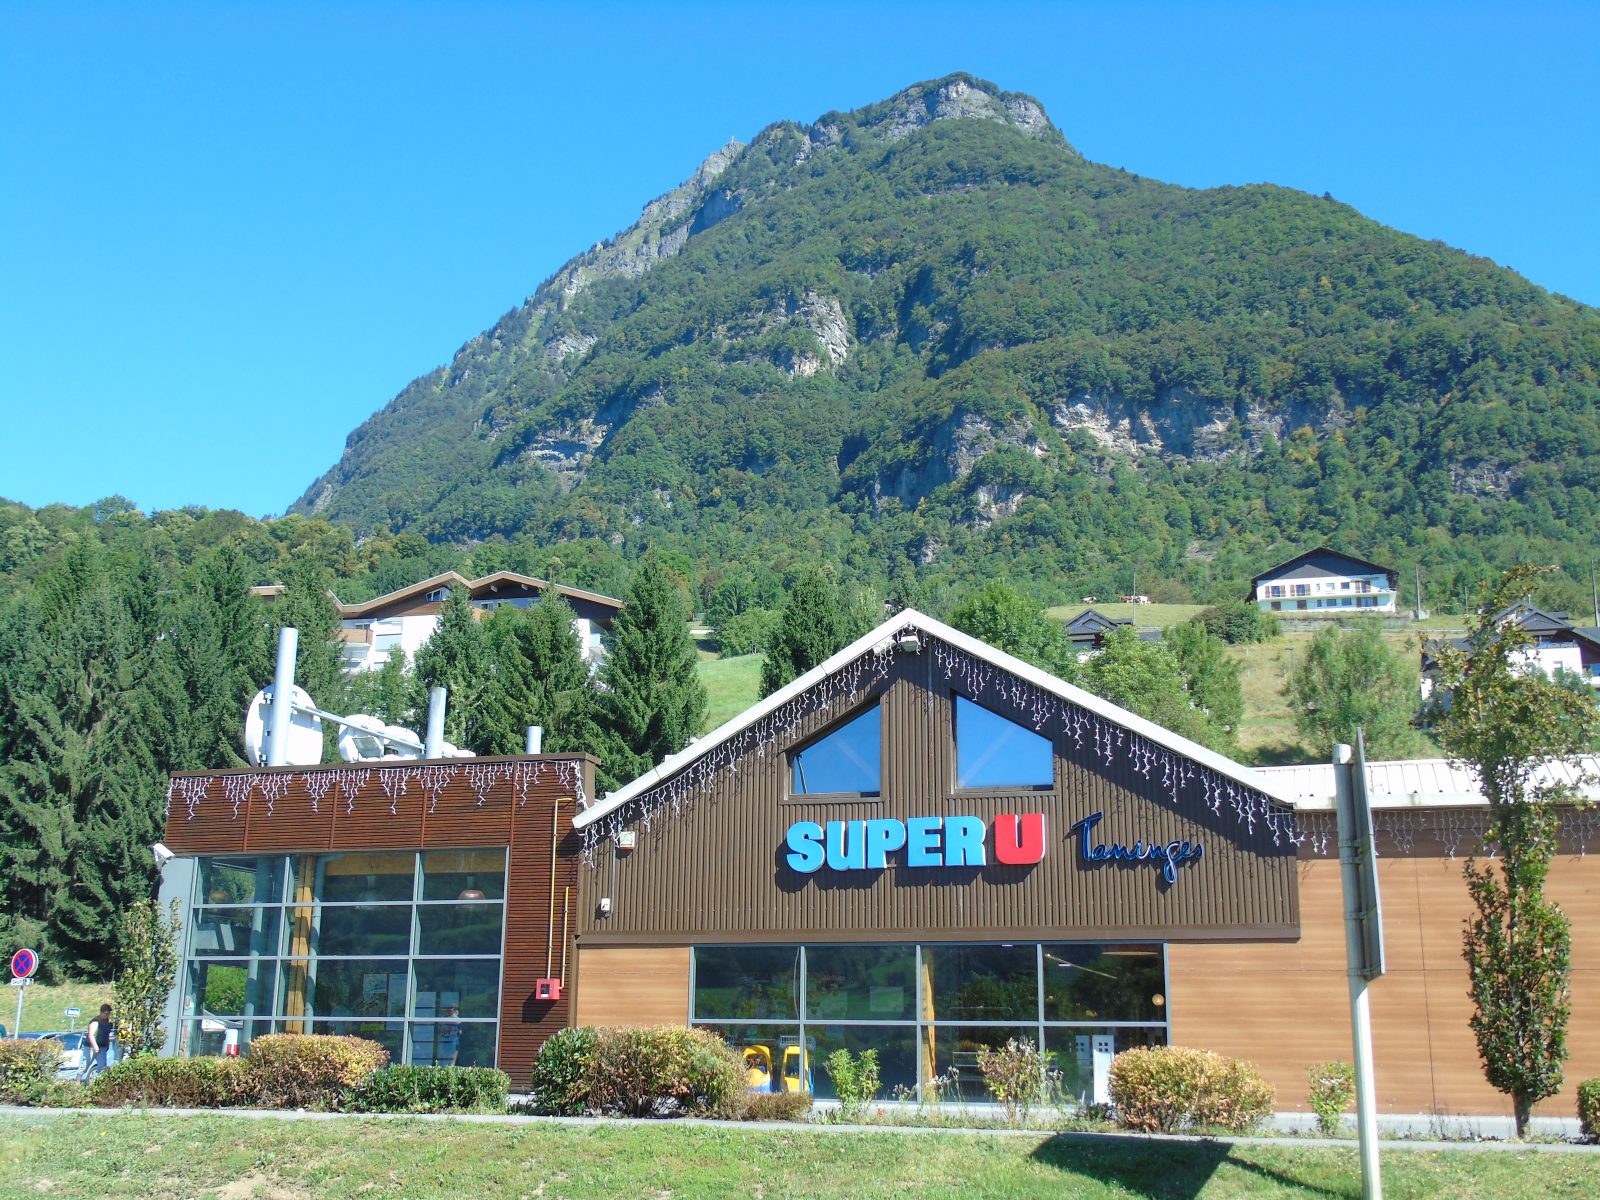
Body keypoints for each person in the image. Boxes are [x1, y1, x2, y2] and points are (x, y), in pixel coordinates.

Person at [80, 1004, 112, 1082]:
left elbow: (107, 1035)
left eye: (108, 1014)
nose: (107, 1016)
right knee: (85, 1066)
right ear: (101, 1012)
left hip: (102, 1047)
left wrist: (107, 1044)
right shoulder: (95, 1022)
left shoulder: (107, 1022)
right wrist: (95, 1047)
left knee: (102, 1067)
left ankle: (101, 1084)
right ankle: (77, 1083)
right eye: (106, 1014)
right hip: (90, 1047)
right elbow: (91, 1035)